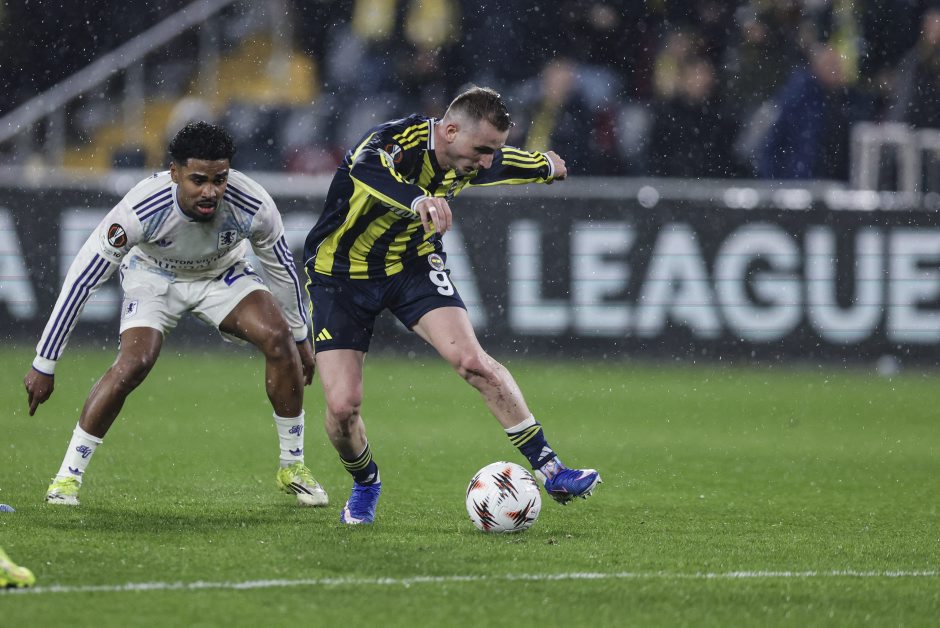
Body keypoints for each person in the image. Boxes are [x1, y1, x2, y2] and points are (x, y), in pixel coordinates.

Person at [303, 86, 601, 525]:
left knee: (473, 362)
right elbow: (365, 166)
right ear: (450, 131)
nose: (486, 162)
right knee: (343, 408)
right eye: (481, 150)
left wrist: (544, 166)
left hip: (411, 266)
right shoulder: (397, 142)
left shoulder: (470, 156)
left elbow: (503, 162)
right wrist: (417, 198)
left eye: (492, 150)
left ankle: (552, 471)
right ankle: (366, 481)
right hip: (339, 276)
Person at [23, 122, 328, 508]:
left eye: (219, 179)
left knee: (277, 337)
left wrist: (301, 338)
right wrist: (45, 363)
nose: (210, 191)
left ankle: (293, 467)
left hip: (221, 274)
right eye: (198, 180)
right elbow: (83, 280)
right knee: (135, 362)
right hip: (154, 275)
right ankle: (67, 477)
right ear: (174, 173)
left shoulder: (253, 204)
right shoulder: (141, 209)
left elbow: (283, 271)